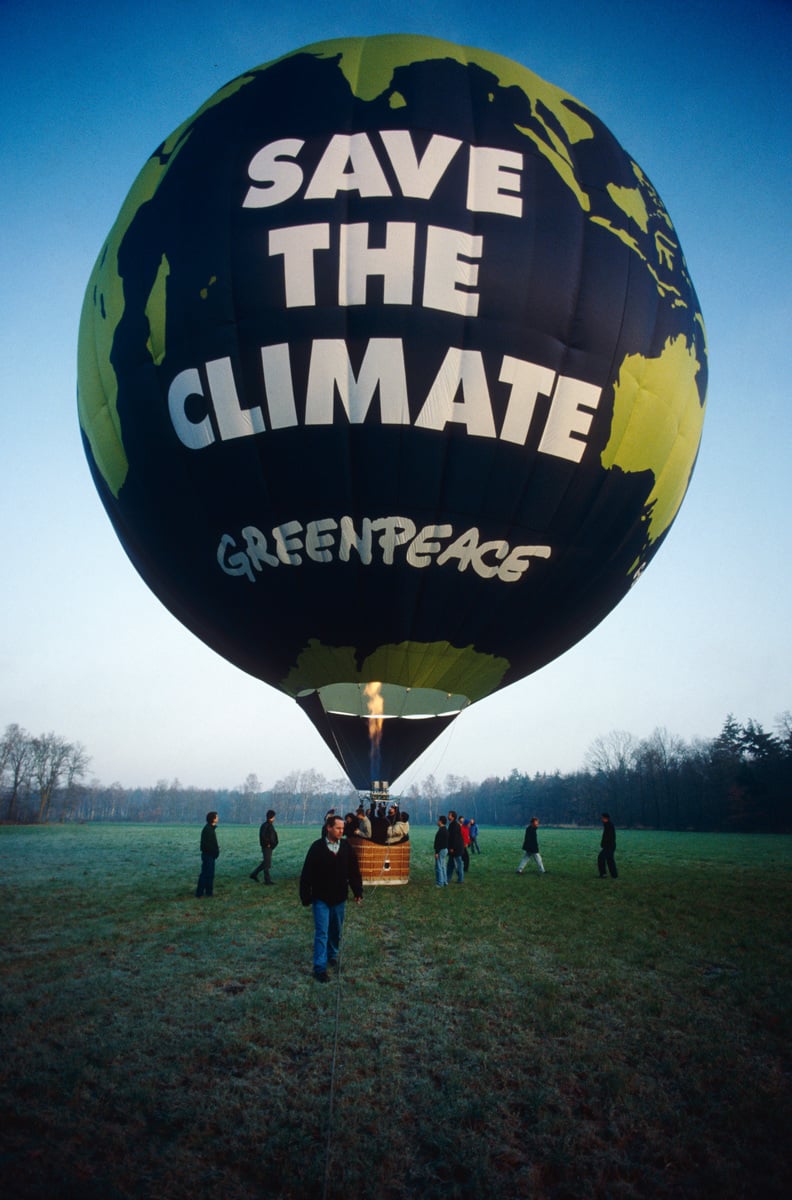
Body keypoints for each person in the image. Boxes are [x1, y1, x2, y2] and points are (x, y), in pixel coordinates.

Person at [299, 814, 363, 982]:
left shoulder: (346, 848)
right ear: (328, 828)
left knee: (336, 930)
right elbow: (307, 873)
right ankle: (319, 967)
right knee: (322, 932)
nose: (341, 831)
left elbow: (354, 871)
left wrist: (357, 891)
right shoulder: (317, 848)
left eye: (343, 828)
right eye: (338, 828)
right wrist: (305, 895)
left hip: (340, 898)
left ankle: (332, 955)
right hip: (321, 898)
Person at [250, 809, 278, 885]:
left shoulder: (267, 825)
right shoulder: (266, 826)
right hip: (267, 847)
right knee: (267, 864)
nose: (274, 818)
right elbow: (263, 836)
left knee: (265, 863)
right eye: (274, 817)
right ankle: (267, 880)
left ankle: (254, 874)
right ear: (272, 817)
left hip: (269, 846)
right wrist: (268, 844)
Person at [196, 811, 219, 897]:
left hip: (209, 855)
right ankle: (200, 893)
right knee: (206, 874)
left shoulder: (209, 828)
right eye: (216, 817)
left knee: (209, 874)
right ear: (213, 819)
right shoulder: (208, 829)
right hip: (208, 855)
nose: (218, 818)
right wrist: (214, 852)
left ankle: (208, 892)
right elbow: (207, 845)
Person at [446, 811, 465, 883]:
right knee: (450, 864)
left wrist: (452, 848)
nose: (448, 816)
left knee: (458, 865)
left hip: (456, 849)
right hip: (455, 848)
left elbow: (454, 838)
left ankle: (460, 879)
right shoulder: (453, 824)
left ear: (453, 817)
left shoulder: (454, 825)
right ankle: (448, 878)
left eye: (449, 815)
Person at [598, 812, 618, 878]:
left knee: (601, 858)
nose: (601, 819)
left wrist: (604, 844)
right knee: (610, 860)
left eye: (602, 817)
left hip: (609, 846)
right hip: (610, 846)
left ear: (605, 818)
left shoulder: (608, 825)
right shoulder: (608, 824)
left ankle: (603, 874)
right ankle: (614, 875)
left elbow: (608, 837)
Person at [434, 815, 448, 887]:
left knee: (438, 867)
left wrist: (437, 852)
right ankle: (445, 881)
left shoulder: (441, 831)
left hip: (441, 850)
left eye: (438, 820)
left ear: (441, 821)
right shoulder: (445, 829)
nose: (437, 821)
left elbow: (439, 842)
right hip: (445, 850)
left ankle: (440, 883)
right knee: (443, 866)